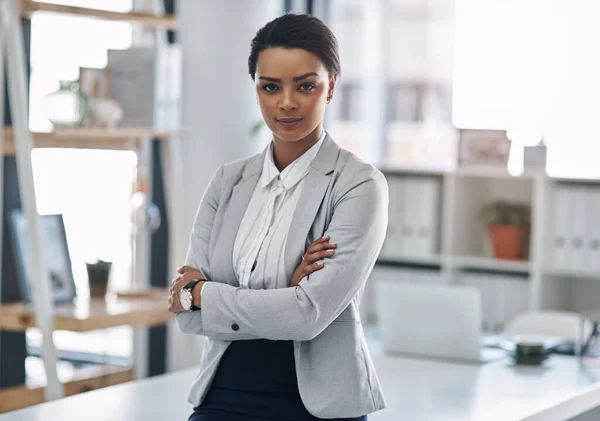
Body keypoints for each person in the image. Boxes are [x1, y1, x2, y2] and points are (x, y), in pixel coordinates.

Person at [168, 13, 388, 421]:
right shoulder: (227, 182)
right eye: (270, 87)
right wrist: (284, 294)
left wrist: (207, 294)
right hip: (222, 395)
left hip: (318, 407)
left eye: (306, 86)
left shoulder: (358, 185)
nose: (287, 102)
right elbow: (186, 314)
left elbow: (306, 316)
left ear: (332, 86)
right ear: (256, 91)